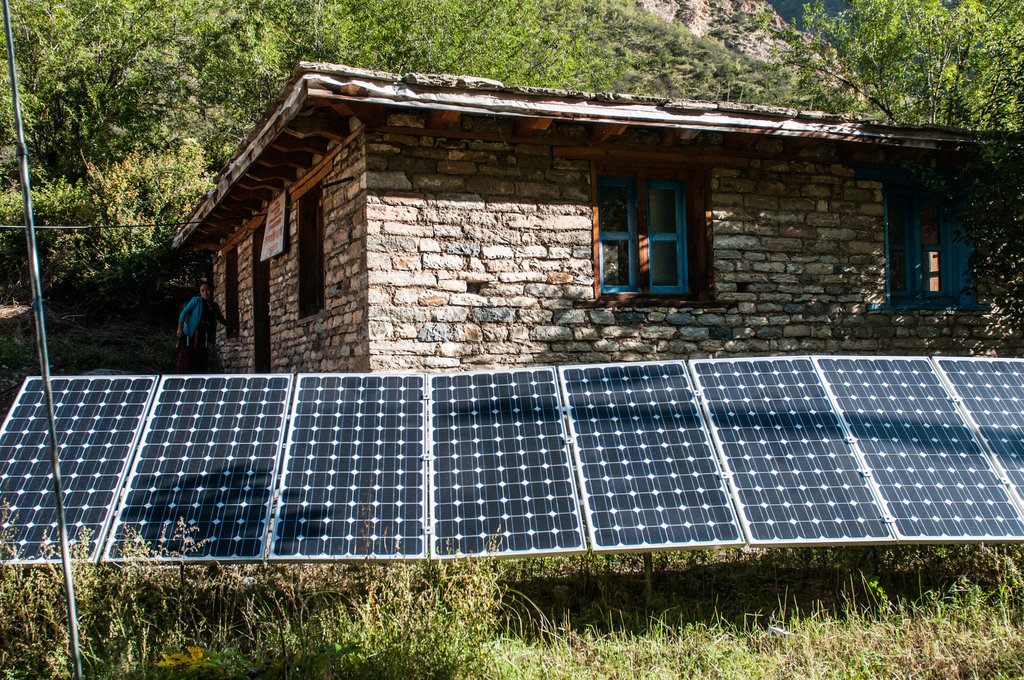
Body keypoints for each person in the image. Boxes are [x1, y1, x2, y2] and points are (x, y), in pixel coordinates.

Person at [176, 281, 230, 373]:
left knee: (200, 359)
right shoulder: (196, 301)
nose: (205, 293)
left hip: (202, 336)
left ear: (212, 291)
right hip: (190, 334)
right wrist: (180, 328)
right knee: (185, 358)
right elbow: (184, 313)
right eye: (202, 291)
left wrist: (231, 325)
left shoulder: (214, 306)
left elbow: (220, 319)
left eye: (207, 290)